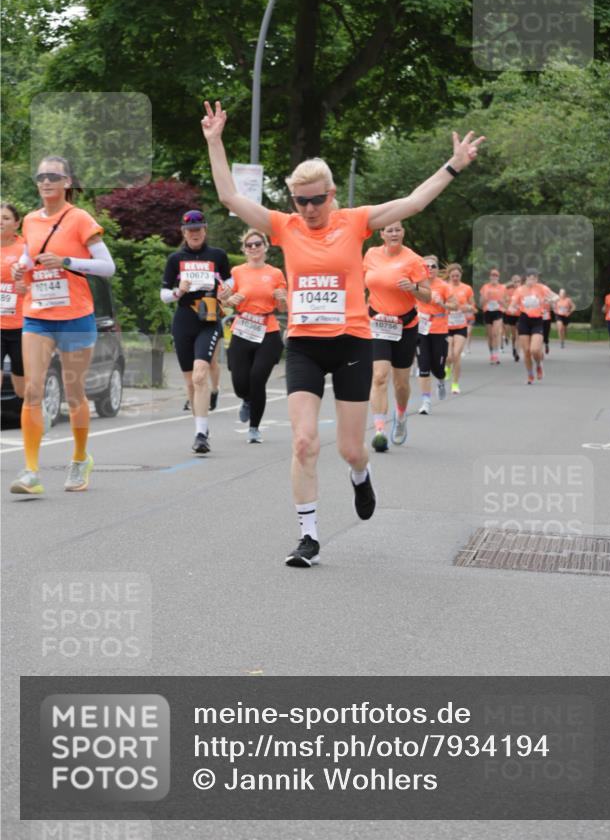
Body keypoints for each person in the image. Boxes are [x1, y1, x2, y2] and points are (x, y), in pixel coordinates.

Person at [201, 100, 483, 567]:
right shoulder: (284, 226)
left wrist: (453, 165)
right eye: (301, 200)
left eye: (317, 199)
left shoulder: (354, 221)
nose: (309, 209)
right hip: (306, 346)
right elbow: (231, 198)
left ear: (332, 194)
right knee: (304, 441)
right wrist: (215, 141)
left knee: (351, 449)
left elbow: (412, 202)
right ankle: (309, 536)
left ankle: (359, 475)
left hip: (353, 342)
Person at [9, 157, 115, 495]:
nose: (46, 181)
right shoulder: (29, 220)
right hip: (37, 315)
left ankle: (80, 457)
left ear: (67, 181)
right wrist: (19, 271)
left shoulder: (80, 218)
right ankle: (30, 472)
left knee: (73, 394)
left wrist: (67, 262)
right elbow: (30, 256)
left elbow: (107, 266)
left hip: (74, 316)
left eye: (53, 175)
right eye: (41, 176)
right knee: (33, 391)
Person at [160, 209, 231, 453]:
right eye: (190, 230)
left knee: (201, 374)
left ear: (205, 230)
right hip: (184, 321)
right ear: (183, 232)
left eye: (199, 229)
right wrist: (179, 291)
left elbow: (229, 283)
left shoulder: (218, 256)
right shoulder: (175, 259)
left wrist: (226, 292)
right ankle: (200, 425)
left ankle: (201, 435)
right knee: (191, 382)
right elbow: (164, 295)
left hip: (209, 320)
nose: (195, 234)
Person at [363, 222, 430, 449]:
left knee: (401, 384)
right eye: (389, 230)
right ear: (381, 234)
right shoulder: (370, 255)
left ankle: (400, 416)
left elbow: (427, 297)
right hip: (378, 323)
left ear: (403, 232)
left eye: (397, 230)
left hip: (406, 325)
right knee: (379, 376)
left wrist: (413, 288)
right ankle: (379, 430)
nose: (393, 233)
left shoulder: (414, 260)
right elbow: (359, 282)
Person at [223, 228, 287, 443]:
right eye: (249, 245)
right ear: (244, 249)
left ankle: (254, 428)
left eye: (257, 244)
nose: (253, 248)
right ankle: (247, 399)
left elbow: (282, 307)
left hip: (267, 330)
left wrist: (282, 298)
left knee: (258, 378)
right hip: (243, 329)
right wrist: (227, 300)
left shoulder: (276, 274)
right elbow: (226, 300)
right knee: (240, 382)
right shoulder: (237, 272)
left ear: (265, 246)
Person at [416, 256, 450, 414]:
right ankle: (426, 401)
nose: (430, 268)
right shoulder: (417, 284)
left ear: (437, 269)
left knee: (438, 367)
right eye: (426, 266)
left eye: (433, 266)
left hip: (439, 329)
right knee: (423, 365)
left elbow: (455, 305)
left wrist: (442, 303)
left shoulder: (444, 286)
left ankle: (441, 381)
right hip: (422, 329)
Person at [1, 203, 27, 406]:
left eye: (6, 218)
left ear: (17, 223)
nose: (1, 221)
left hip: (22, 325)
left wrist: (26, 287)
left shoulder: (25, 248)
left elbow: (40, 279)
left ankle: (36, 410)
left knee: (21, 388)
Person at [509, 269, 546, 383]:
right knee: (526, 351)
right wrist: (511, 308)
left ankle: (539, 365)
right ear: (526, 279)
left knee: (535, 349)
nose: (533, 281)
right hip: (524, 320)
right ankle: (530, 374)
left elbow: (552, 296)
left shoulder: (541, 288)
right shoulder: (519, 290)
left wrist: (554, 300)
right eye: (531, 278)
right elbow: (513, 305)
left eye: (535, 278)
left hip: (537, 321)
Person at [444, 263, 475, 394]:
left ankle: (455, 384)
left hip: (461, 325)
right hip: (446, 326)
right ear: (449, 276)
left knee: (456, 355)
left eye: (457, 275)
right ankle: (447, 367)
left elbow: (473, 306)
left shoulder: (467, 288)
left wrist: (468, 308)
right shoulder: (444, 288)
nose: (455, 278)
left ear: (461, 275)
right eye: (453, 276)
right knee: (448, 356)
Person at [479, 268, 507, 364]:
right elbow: (481, 303)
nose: (494, 277)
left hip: (498, 311)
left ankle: (496, 355)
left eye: (496, 275)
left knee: (496, 333)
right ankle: (491, 354)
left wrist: (502, 302)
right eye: (492, 275)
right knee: (490, 335)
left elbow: (505, 304)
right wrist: (485, 299)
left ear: (498, 277)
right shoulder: (485, 287)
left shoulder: (502, 288)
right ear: (490, 277)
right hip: (487, 312)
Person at [503, 274, 522, 361]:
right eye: (515, 281)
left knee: (518, 334)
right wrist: (509, 308)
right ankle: (514, 348)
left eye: (518, 281)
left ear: (520, 282)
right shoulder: (508, 290)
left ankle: (517, 352)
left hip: (521, 315)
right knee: (514, 335)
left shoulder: (523, 290)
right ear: (512, 282)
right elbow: (505, 302)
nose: (516, 283)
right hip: (511, 315)